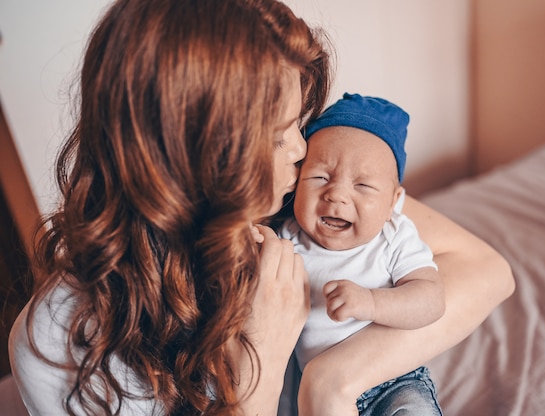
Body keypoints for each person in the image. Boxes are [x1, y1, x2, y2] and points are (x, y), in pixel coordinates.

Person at [8, 0, 515, 415]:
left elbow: (486, 270)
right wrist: (258, 376)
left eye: (299, 123)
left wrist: (334, 377)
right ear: (190, 163)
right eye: (276, 138)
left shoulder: (296, 200)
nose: (301, 151)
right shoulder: (60, 344)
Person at [279, 93, 445, 415]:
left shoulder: (393, 236)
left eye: (363, 186)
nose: (337, 194)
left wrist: (370, 302)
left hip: (394, 383)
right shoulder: (288, 237)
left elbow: (431, 299)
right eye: (320, 177)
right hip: (315, 393)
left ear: (393, 202)